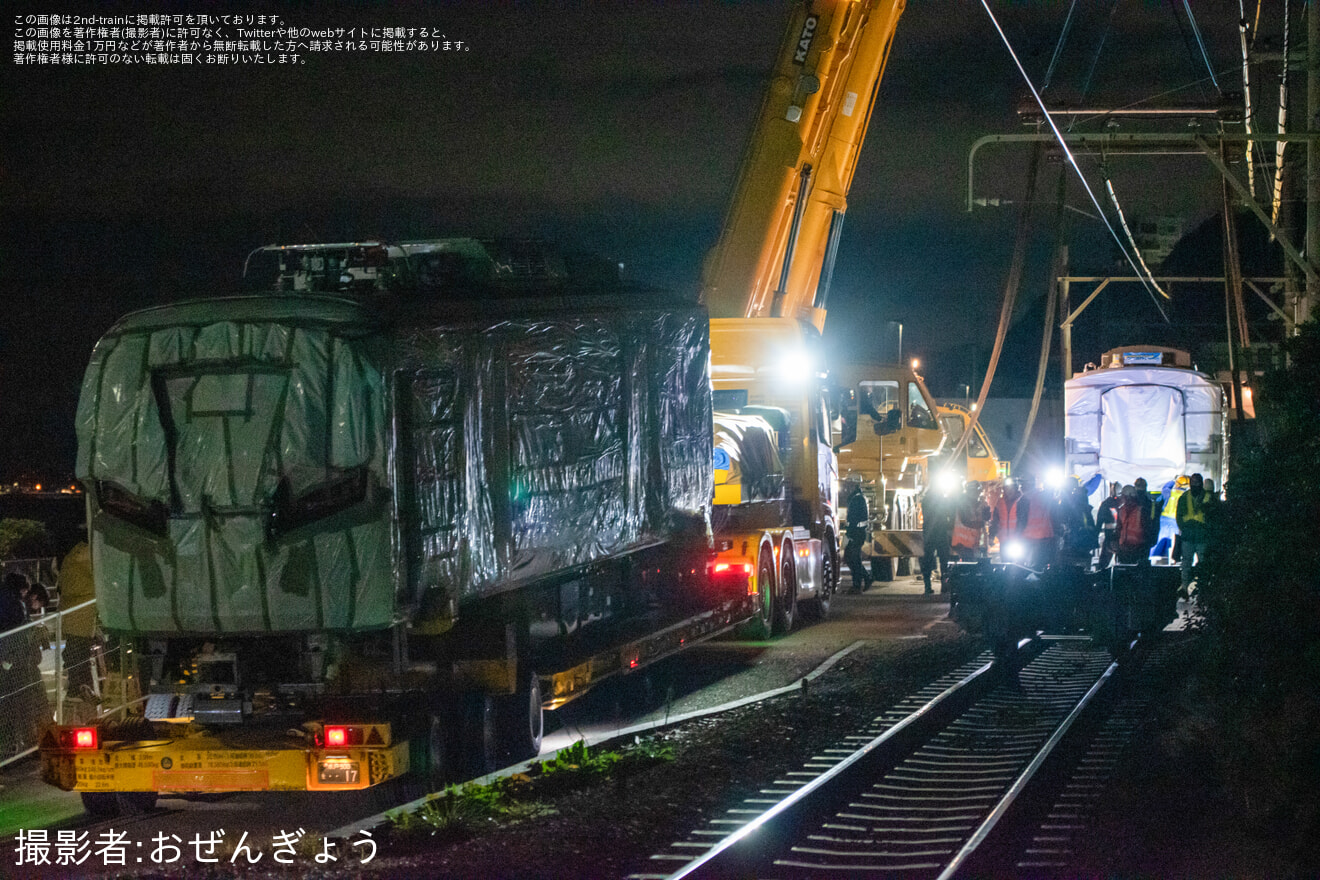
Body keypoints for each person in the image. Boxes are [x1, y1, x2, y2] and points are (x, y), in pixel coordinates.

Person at [57, 539, 98, 699]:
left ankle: (77, 690)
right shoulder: (90, 557)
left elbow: (61, 586)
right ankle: (83, 690)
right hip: (84, 617)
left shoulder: (70, 561)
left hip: (70, 617)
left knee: (73, 656)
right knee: (81, 658)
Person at [1011, 473, 1057, 569]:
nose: (1021, 487)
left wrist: (1016, 536)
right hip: (1045, 538)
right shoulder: (1042, 497)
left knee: (1023, 566)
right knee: (1040, 566)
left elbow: (1021, 522)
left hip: (1030, 539)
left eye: (1022, 484)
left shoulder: (1024, 500)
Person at [1175, 472, 1210, 598]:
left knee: (1201, 563)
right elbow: (1179, 516)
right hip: (1190, 536)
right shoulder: (1184, 498)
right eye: (1193, 483)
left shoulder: (1207, 497)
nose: (1195, 485)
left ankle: (1202, 588)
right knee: (1186, 563)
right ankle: (1185, 587)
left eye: (1197, 483)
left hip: (1200, 536)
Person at [919, 485, 954, 596]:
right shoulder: (943, 500)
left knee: (927, 560)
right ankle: (944, 585)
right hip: (941, 533)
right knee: (944, 560)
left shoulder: (926, 500)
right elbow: (948, 514)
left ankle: (927, 586)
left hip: (929, 533)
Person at [843, 478, 873, 592]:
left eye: (849, 484)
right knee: (852, 558)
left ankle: (857, 585)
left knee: (853, 559)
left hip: (856, 533)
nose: (847, 487)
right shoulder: (857, 497)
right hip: (855, 533)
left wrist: (851, 532)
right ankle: (865, 578)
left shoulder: (857, 499)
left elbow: (855, 519)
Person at [951, 481, 990, 561]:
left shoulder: (979, 504)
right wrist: (981, 524)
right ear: (968, 491)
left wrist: (986, 509)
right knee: (967, 568)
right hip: (963, 544)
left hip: (975, 544)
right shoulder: (963, 504)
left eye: (977, 491)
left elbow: (987, 518)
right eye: (973, 491)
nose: (975, 493)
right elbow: (967, 521)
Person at [1114, 485, 1152, 565]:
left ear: (1128, 496)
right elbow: (1119, 529)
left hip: (1137, 548)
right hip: (1125, 548)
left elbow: (1147, 529)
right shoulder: (1122, 510)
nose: (1122, 498)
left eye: (1123, 496)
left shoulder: (1141, 510)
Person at [1095, 481, 1122, 568]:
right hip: (1121, 538)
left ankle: (1101, 578)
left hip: (1109, 537)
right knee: (1121, 564)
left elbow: (1099, 521)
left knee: (1103, 564)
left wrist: (1095, 535)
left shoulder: (1106, 503)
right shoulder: (1124, 503)